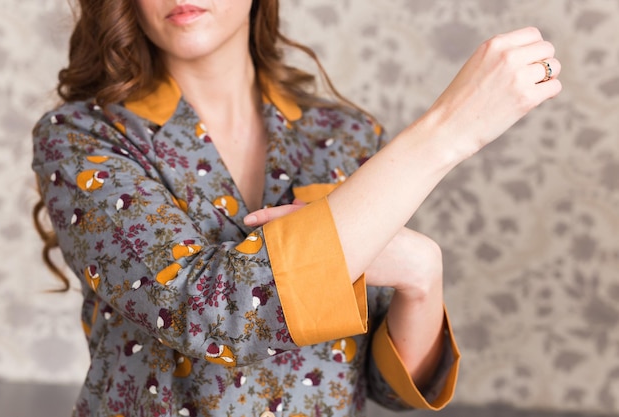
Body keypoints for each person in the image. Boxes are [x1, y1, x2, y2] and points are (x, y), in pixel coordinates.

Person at [31, 0, 561, 416]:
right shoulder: (82, 137)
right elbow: (211, 314)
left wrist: (423, 275)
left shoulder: (346, 137)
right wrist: (446, 133)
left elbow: (384, 387)